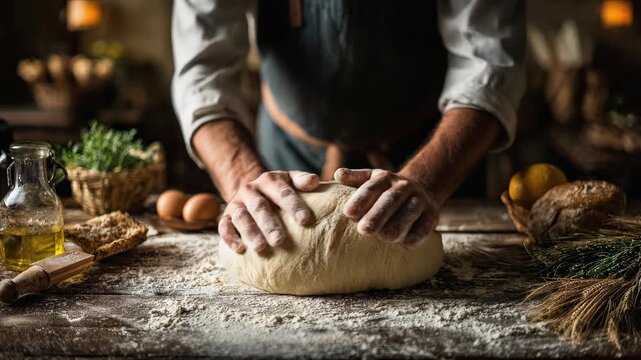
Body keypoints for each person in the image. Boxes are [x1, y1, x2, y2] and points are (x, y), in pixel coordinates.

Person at [172, 0, 525, 254]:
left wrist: (428, 181)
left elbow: (488, 62)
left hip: (435, 153)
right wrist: (241, 178)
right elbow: (203, 71)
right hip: (284, 156)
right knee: (277, 245)